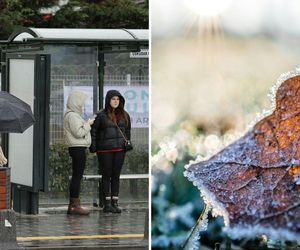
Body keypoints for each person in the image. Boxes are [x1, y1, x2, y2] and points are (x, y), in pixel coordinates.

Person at [90, 90, 131, 213]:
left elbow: (127, 131)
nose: (116, 101)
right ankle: (106, 203)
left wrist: (127, 142)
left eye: (118, 99)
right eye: (113, 99)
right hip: (104, 150)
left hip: (120, 150)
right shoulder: (101, 115)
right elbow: (94, 132)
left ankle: (115, 202)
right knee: (106, 175)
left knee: (116, 176)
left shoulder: (124, 115)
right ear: (108, 100)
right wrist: (93, 146)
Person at [64, 91, 94, 215]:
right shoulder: (72, 116)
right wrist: (88, 124)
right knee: (77, 176)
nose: (83, 104)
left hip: (77, 148)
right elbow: (79, 132)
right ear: (76, 101)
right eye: (81, 101)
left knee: (77, 176)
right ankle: (74, 205)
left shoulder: (73, 115)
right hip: (77, 148)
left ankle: (74, 205)